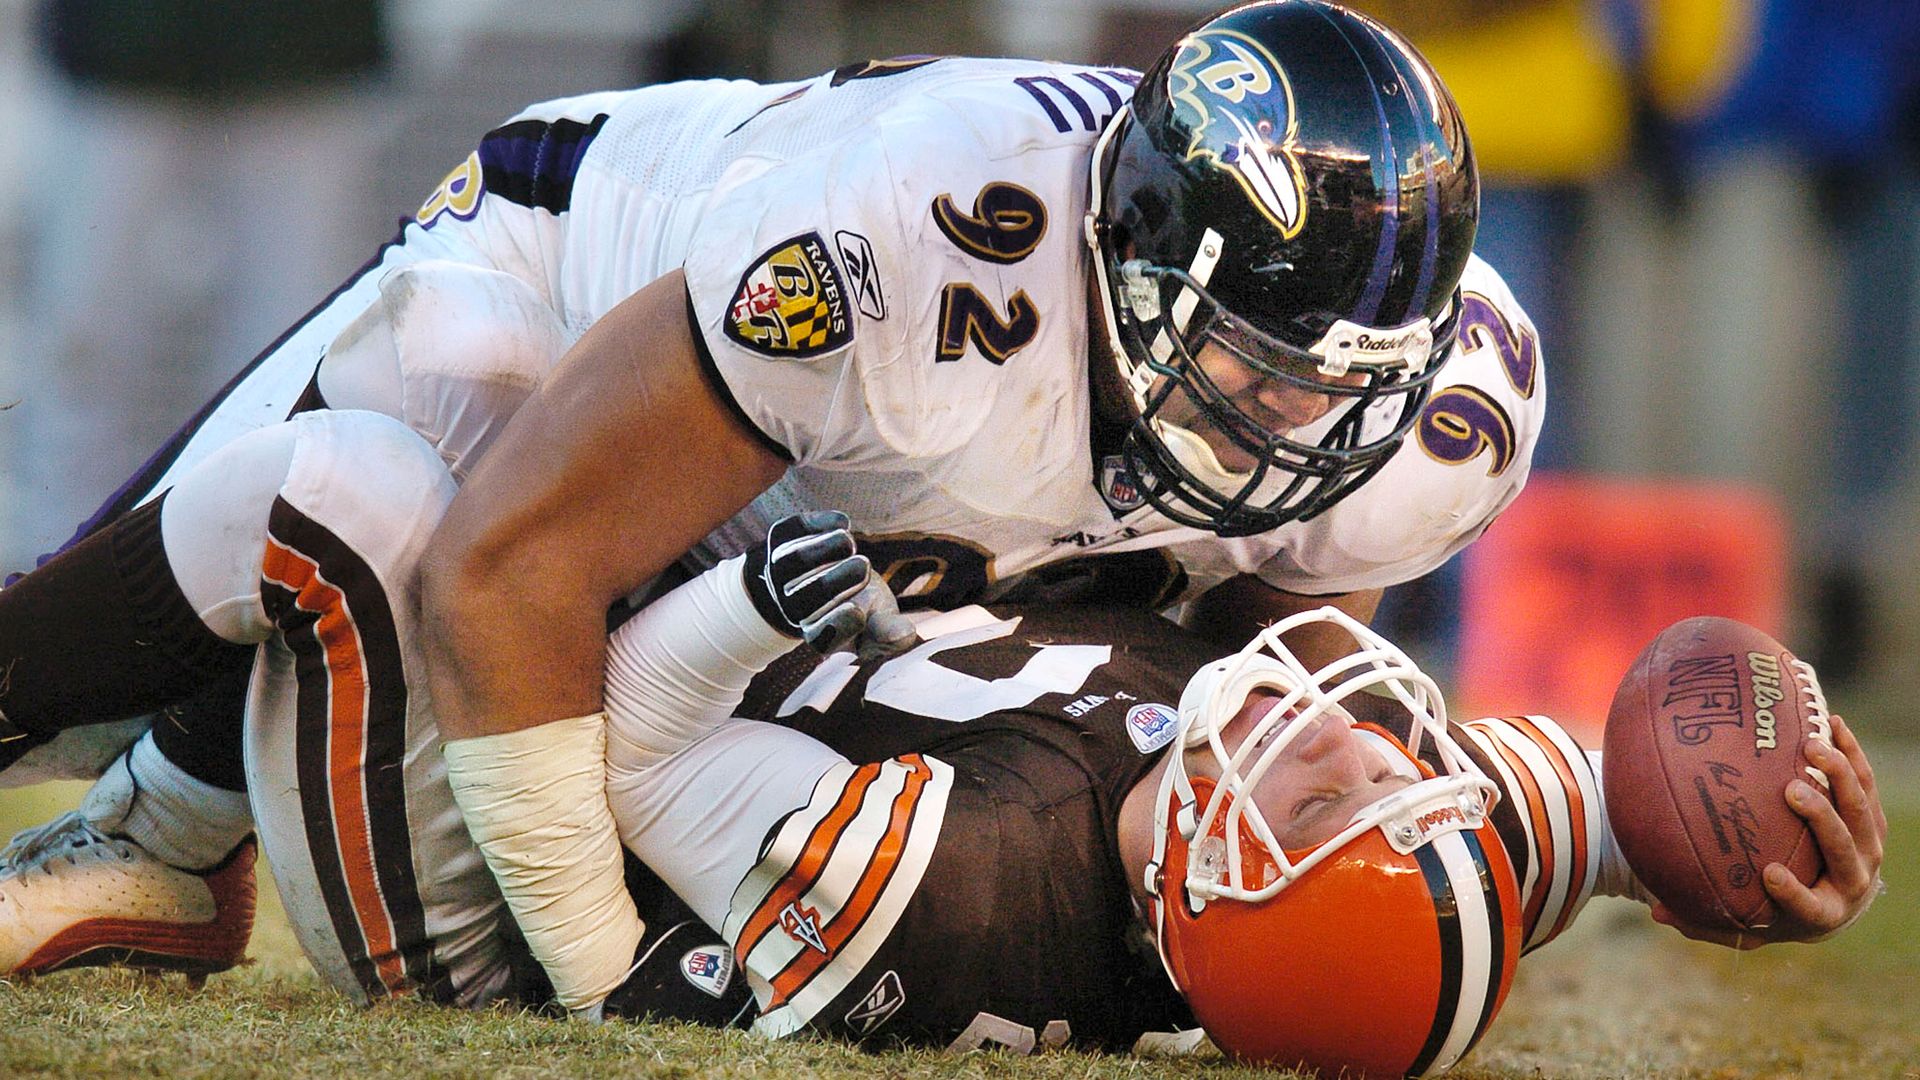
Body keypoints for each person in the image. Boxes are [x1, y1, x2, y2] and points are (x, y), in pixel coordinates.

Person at [0, 1, 1547, 1015]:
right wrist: (595, 968)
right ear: (1139, 255)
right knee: (339, 492)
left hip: (826, 524)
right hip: (573, 287)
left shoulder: (1436, 409)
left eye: (1343, 391)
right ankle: (154, 812)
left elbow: (1260, 704)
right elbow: (509, 568)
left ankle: (167, 834)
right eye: (1252, 369)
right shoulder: (910, 253)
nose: (1294, 430)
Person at [0, 410, 1887, 1077]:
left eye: (1327, 784)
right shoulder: (1303, 872)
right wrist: (1695, 857)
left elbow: (638, 750)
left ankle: (144, 838)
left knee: (347, 497)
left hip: (502, 877)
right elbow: (1499, 840)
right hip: (702, 731)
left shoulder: (958, 890)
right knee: (545, 435)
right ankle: (158, 832)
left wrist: (787, 588)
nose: (1362, 734)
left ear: (1215, 887)